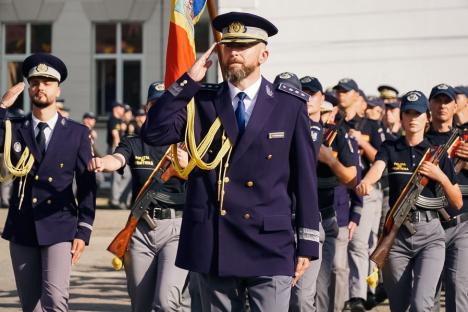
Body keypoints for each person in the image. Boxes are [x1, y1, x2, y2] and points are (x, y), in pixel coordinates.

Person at [142, 11, 320, 312]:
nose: (234, 52)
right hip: (215, 239)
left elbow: (304, 179)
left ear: (263, 54)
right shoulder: (202, 101)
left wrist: (308, 243)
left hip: (268, 241)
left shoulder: (289, 105)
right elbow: (154, 133)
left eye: (243, 45)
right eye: (228, 45)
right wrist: (187, 83)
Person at [0, 53, 96, 311]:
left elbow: (87, 185)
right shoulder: (13, 128)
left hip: (60, 225)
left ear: (58, 88)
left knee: (55, 299)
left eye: (47, 82)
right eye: (34, 82)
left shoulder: (76, 132)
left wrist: (84, 229)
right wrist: (2, 108)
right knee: (31, 305)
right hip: (22, 226)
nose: (40, 87)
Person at [356, 90, 463, 311]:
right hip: (397, 236)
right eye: (409, 113)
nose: (413, 118)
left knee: (420, 304)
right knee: (400, 306)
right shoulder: (390, 148)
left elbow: (457, 201)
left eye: (418, 113)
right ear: (402, 117)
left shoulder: (437, 153)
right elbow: (377, 168)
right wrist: (366, 181)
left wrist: (439, 175)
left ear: (427, 118)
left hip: (431, 235)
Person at [88, 81, 190, 311]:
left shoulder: (187, 144)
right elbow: (119, 158)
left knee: (166, 302)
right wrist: (103, 163)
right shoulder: (135, 141)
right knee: (140, 305)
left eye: (168, 103)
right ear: (147, 107)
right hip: (141, 230)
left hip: (177, 229)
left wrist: (190, 166)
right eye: (156, 104)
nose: (162, 108)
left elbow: (209, 180)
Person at [334, 78, 385, 311]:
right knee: (344, 245)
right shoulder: (334, 121)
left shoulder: (370, 124)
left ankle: (360, 296)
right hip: (341, 190)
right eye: (339, 91)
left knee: (360, 244)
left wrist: (360, 143)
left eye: (345, 91)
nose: (341, 95)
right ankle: (346, 295)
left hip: (366, 189)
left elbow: (381, 159)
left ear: (356, 95)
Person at [425, 83, 468, 312]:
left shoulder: (465, 139)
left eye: (447, 101)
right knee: (428, 291)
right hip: (429, 224)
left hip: (461, 223)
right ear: (430, 105)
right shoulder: (421, 140)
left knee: (457, 287)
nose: (442, 106)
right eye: (437, 100)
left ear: (455, 106)